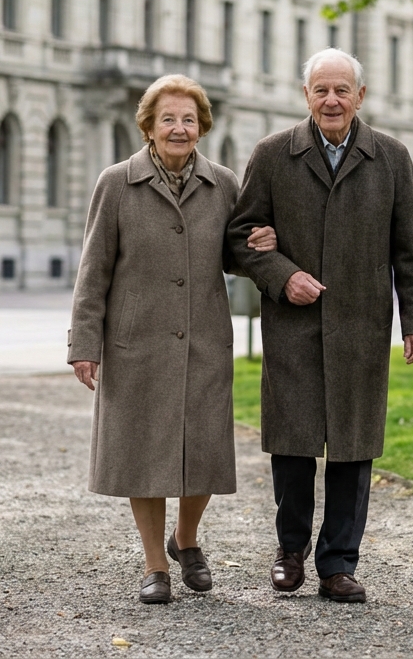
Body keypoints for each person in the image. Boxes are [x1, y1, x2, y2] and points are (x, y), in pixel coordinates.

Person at [227, 48, 413, 604]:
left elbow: (409, 249)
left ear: (360, 96)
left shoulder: (391, 158)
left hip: (362, 326)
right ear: (306, 96)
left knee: (352, 447)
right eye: (321, 90)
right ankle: (289, 552)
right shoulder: (273, 155)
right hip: (293, 326)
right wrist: (280, 273)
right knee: (292, 447)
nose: (332, 100)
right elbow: (240, 235)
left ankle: (338, 564)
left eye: (342, 90)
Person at [67, 74, 277, 605]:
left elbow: (237, 254)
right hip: (135, 342)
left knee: (204, 450)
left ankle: (186, 539)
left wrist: (263, 242)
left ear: (202, 126)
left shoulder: (225, 183)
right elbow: (93, 271)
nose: (179, 128)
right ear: (149, 126)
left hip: (204, 338)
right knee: (142, 452)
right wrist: (84, 343)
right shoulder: (116, 183)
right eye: (168, 119)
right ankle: (155, 564)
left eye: (189, 119)